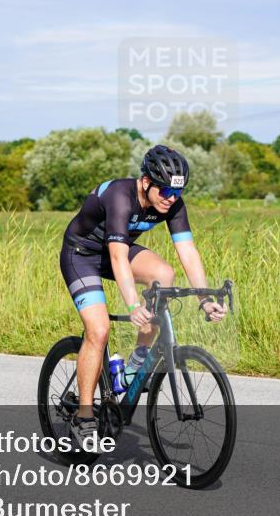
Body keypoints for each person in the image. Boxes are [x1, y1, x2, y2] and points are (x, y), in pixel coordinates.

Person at [59, 144, 226, 450]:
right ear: (146, 181)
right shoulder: (120, 197)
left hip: (116, 252)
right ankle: (83, 418)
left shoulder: (172, 203)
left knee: (164, 275)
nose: (171, 199)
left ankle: (137, 363)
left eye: (177, 193)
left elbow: (187, 252)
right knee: (98, 330)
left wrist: (203, 298)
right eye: (164, 191)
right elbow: (118, 256)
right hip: (81, 255)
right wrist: (133, 304)